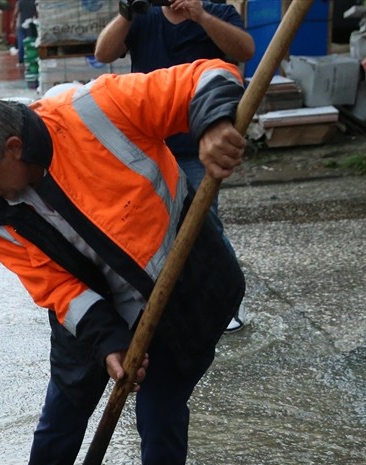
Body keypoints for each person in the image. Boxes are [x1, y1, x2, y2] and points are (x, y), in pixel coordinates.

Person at [0, 59, 246, 465]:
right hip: (93, 310)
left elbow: (206, 76)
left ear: (13, 148)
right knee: (61, 418)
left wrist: (215, 125)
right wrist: (110, 342)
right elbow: (58, 289)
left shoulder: (95, 108)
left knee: (159, 423)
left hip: (181, 288)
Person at [95, 0, 253, 332]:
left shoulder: (217, 12)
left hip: (198, 145)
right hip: (148, 146)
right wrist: (126, 11)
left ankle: (226, 304)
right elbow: (103, 53)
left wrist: (200, 16)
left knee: (205, 226)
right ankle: (171, 303)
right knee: (151, 229)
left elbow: (245, 50)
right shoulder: (143, 16)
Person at [13, 0, 36, 65]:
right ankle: (30, 59)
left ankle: (21, 61)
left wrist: (13, 22)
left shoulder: (20, 2)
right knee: (30, 43)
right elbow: (35, 14)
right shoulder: (32, 2)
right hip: (30, 25)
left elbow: (15, 13)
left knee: (21, 43)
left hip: (21, 25)